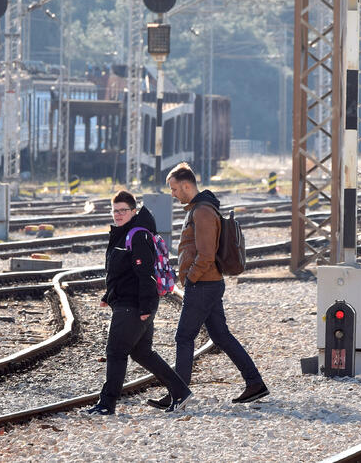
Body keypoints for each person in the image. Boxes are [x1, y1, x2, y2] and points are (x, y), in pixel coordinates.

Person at [147, 162, 268, 410]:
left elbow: (206, 254)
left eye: (174, 188)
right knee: (221, 336)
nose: (172, 194)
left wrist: (190, 278)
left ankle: (179, 393)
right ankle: (255, 383)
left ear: (186, 185)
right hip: (208, 283)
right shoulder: (199, 208)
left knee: (183, 336)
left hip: (203, 284)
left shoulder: (202, 211)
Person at [85, 190, 193, 415]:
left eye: (123, 210)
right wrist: (109, 296)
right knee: (142, 353)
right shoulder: (122, 233)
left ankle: (107, 404)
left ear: (134, 211)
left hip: (135, 305)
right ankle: (180, 392)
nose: (118, 214)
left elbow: (145, 275)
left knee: (115, 352)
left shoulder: (137, 235)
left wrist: (145, 308)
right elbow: (121, 272)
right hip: (128, 301)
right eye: (115, 211)